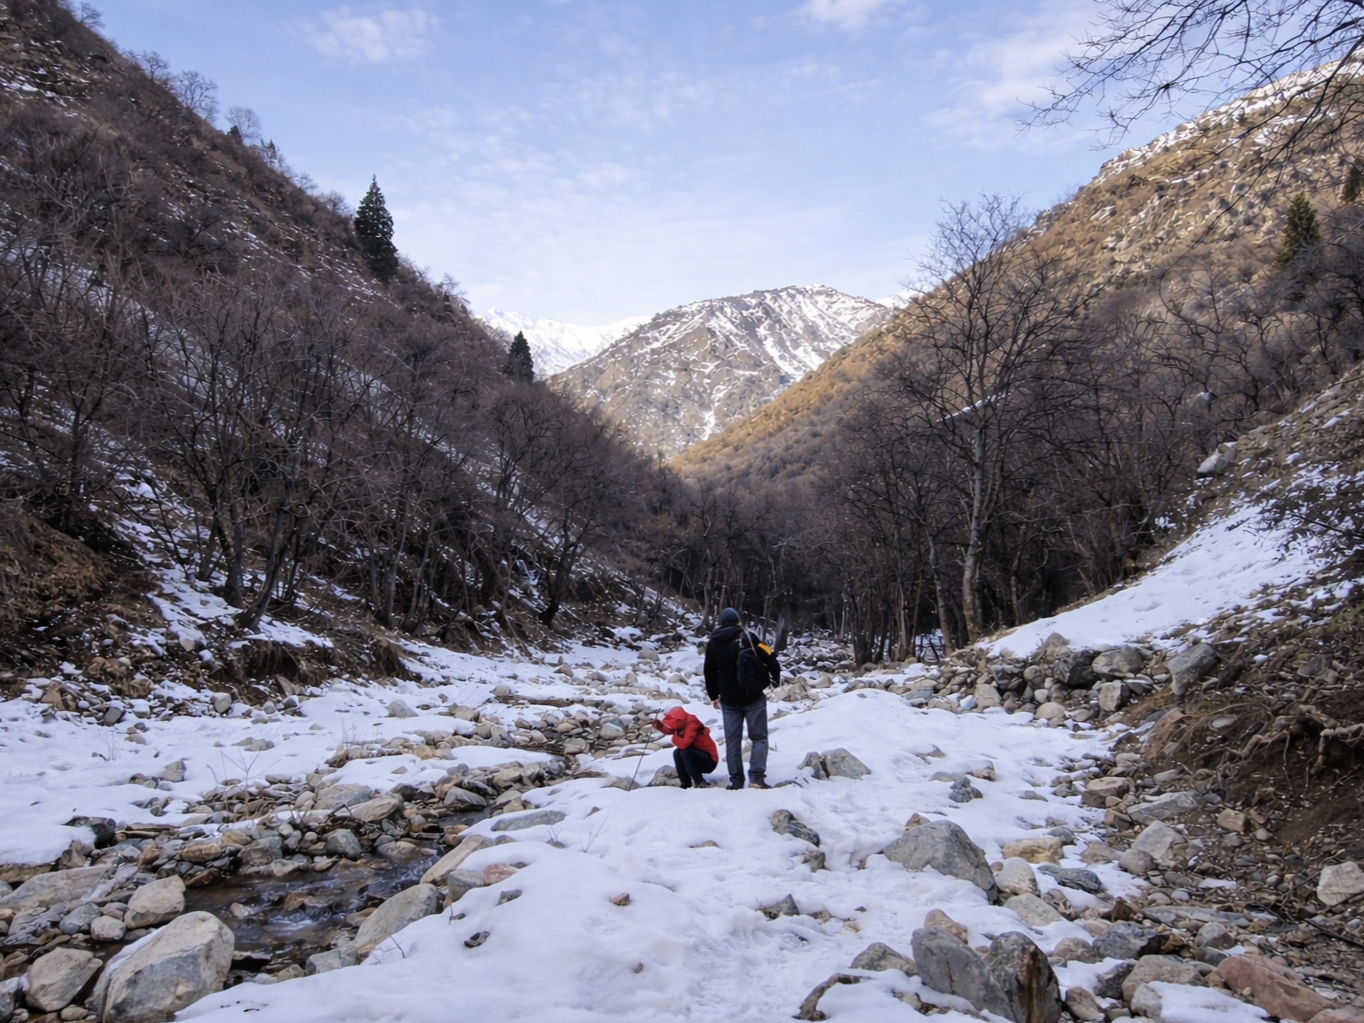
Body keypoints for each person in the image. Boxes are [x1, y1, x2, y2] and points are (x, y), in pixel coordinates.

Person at [703, 607, 780, 790]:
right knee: (759, 738)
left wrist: (714, 696)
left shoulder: (713, 643)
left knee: (732, 740)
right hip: (752, 695)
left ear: (721, 623)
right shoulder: (749, 637)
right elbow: (770, 657)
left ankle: (736, 780)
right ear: (738, 622)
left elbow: (709, 672)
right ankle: (756, 777)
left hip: (729, 699)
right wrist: (774, 681)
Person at [652, 706, 718, 789]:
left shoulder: (692, 725)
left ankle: (699, 781)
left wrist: (674, 737)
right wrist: (660, 726)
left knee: (685, 752)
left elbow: (684, 744)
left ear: (679, 720)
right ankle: (685, 782)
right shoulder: (684, 722)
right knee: (677, 752)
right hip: (698, 756)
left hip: (709, 762)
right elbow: (673, 729)